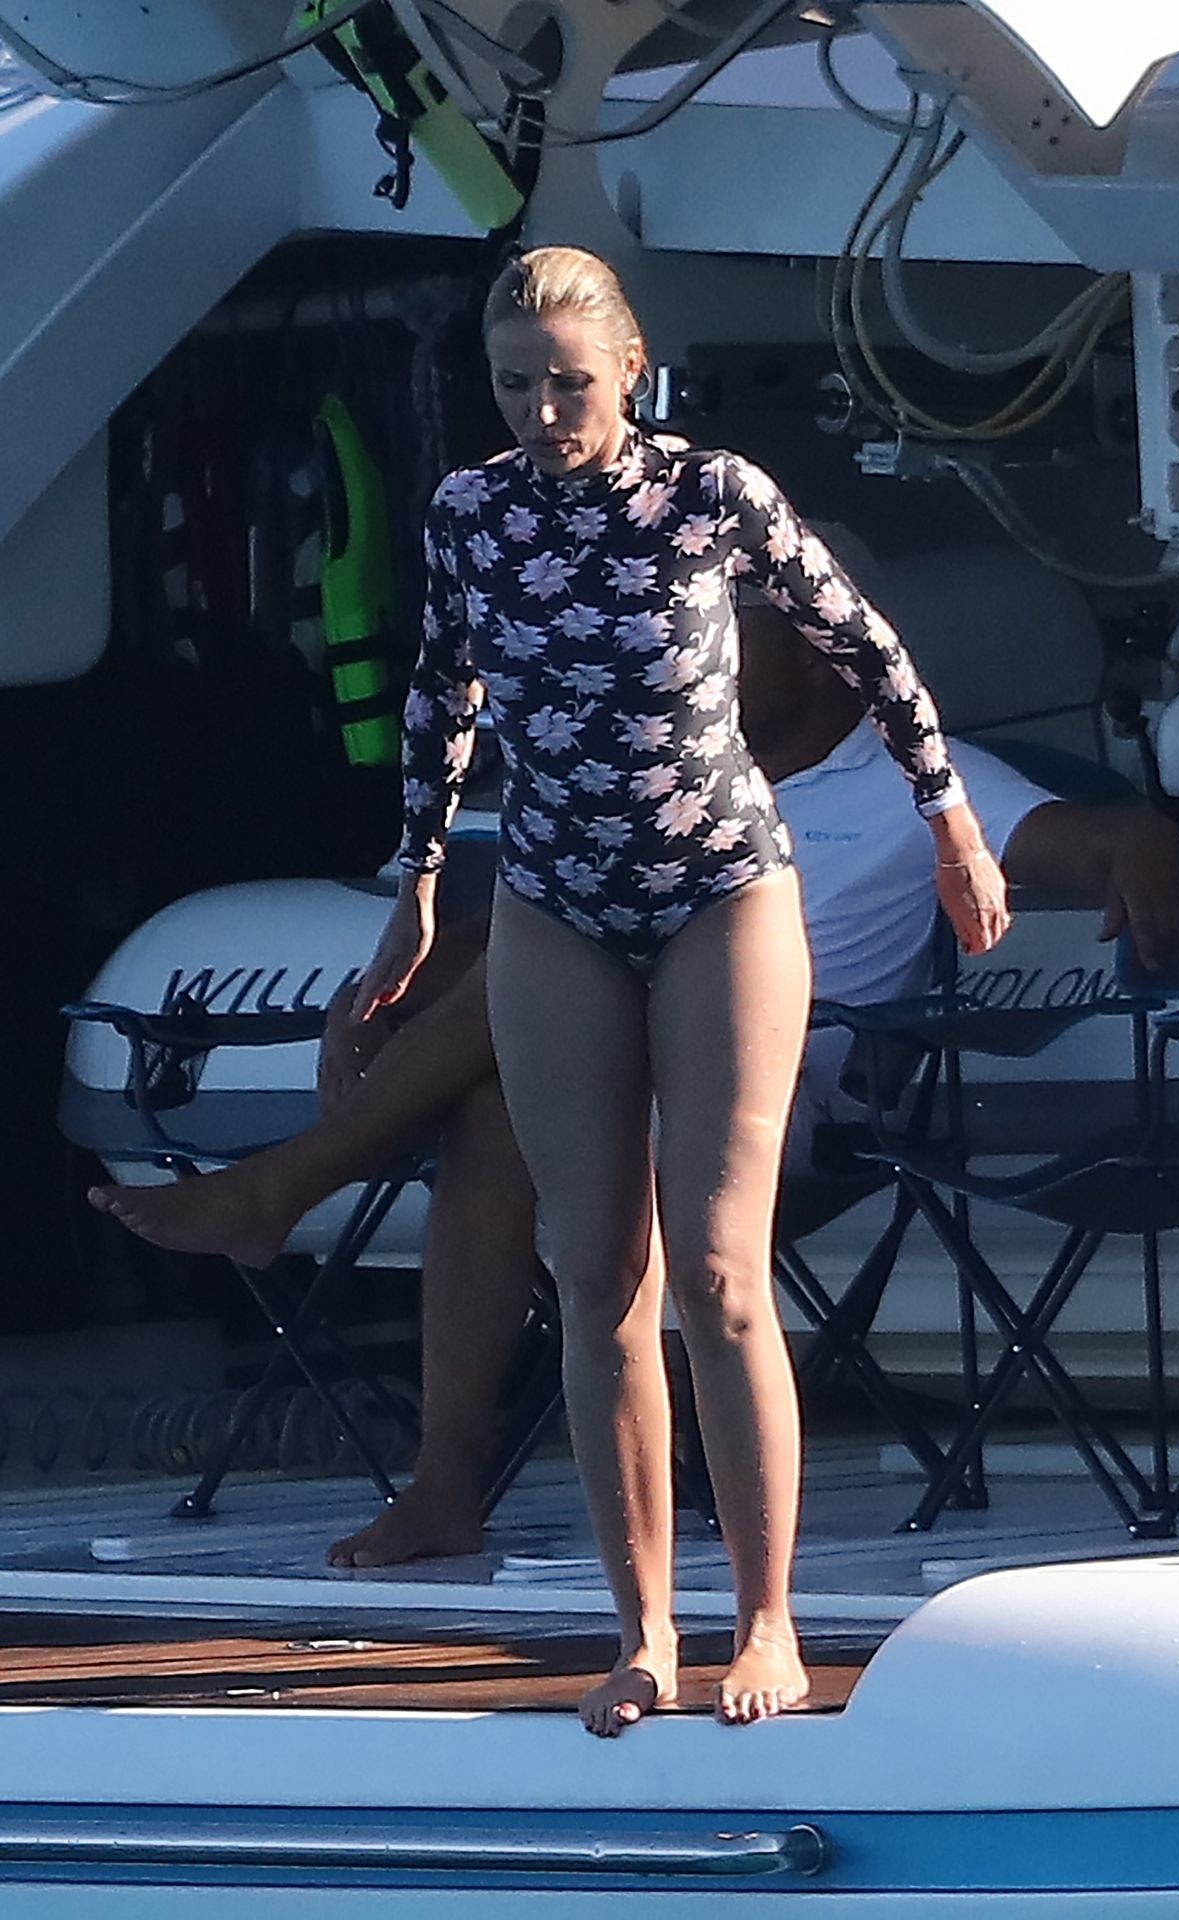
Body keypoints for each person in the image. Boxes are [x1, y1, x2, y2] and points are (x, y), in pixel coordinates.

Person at [95, 242, 1015, 1737]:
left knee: (716, 1271)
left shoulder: (711, 495)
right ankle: (643, 1632)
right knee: (598, 1274)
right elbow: (440, 693)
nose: (542, 410)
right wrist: (416, 890)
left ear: (631, 374)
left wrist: (952, 823)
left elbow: (867, 645)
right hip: (555, 902)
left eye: (569, 384)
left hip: (721, 890)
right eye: (515, 383)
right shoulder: (473, 511)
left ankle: (766, 1621)